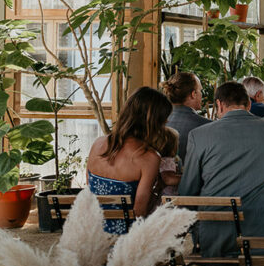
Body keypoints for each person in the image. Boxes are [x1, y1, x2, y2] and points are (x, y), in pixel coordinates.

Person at [180, 81, 264, 266]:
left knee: (220, 226)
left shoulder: (199, 135)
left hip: (213, 235)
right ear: (249, 104)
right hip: (262, 227)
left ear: (219, 105)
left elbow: (188, 191)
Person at [86, 87, 173, 234]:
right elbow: (139, 212)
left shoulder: (97, 144)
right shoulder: (149, 158)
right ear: (154, 122)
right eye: (164, 118)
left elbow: (89, 188)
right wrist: (157, 191)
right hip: (124, 241)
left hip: (92, 232)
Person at [163, 72, 210, 163]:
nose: (202, 95)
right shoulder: (208, 126)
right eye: (200, 90)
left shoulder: (156, 122)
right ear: (193, 94)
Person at [156, 127, 181, 197]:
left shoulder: (159, 159)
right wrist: (186, 178)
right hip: (168, 196)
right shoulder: (167, 161)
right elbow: (168, 179)